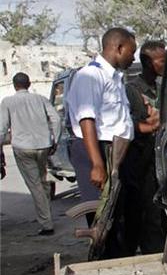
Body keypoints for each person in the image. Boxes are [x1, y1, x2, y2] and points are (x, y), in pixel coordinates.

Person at [66, 27, 136, 256]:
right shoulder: (90, 75)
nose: (133, 57)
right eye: (131, 52)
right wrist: (97, 163)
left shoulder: (114, 78)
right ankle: (103, 265)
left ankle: (117, 263)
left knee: (118, 216)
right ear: (118, 48)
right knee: (102, 218)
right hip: (97, 150)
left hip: (115, 151)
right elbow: (86, 120)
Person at [0, 73, 61, 235]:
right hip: (43, 145)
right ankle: (46, 214)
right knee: (42, 180)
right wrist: (55, 140)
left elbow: (1, 129)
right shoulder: (40, 99)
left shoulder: (7, 102)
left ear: (15, 85)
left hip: (23, 148)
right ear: (29, 83)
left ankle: (47, 223)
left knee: (35, 184)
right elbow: (56, 119)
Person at [120, 40, 165, 254]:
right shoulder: (133, 90)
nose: (165, 64)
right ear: (148, 63)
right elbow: (132, 127)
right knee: (149, 211)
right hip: (142, 160)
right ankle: (153, 255)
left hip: (161, 156)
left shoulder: (160, 88)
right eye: (161, 60)